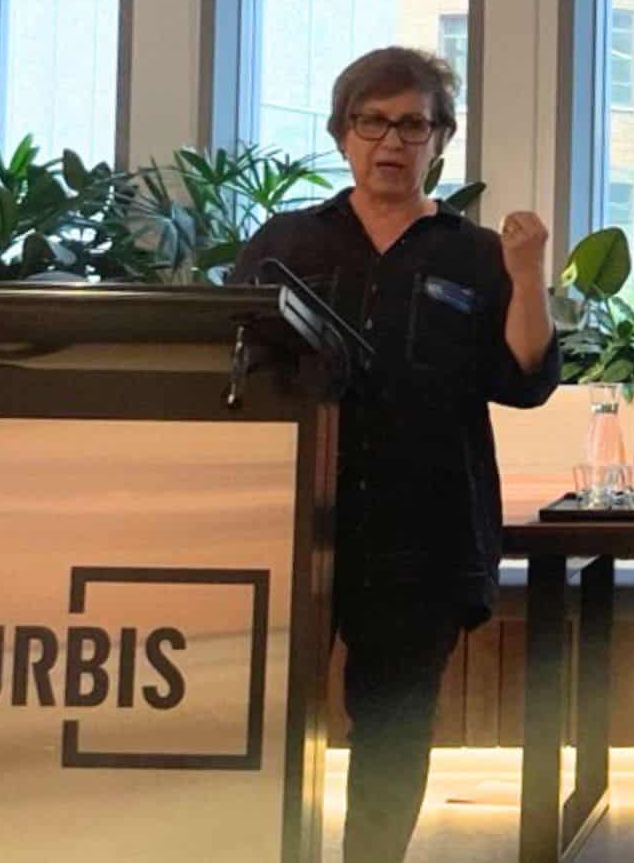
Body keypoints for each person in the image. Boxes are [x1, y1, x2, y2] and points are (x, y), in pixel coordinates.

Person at [232, 46, 560, 863]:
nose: (391, 140)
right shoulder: (285, 242)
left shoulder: (473, 253)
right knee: (271, 720)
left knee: (392, 733)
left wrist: (527, 275)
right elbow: (231, 360)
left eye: (412, 124)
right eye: (372, 121)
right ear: (342, 133)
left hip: (425, 531)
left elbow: (525, 380)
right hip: (293, 525)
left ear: (440, 139)